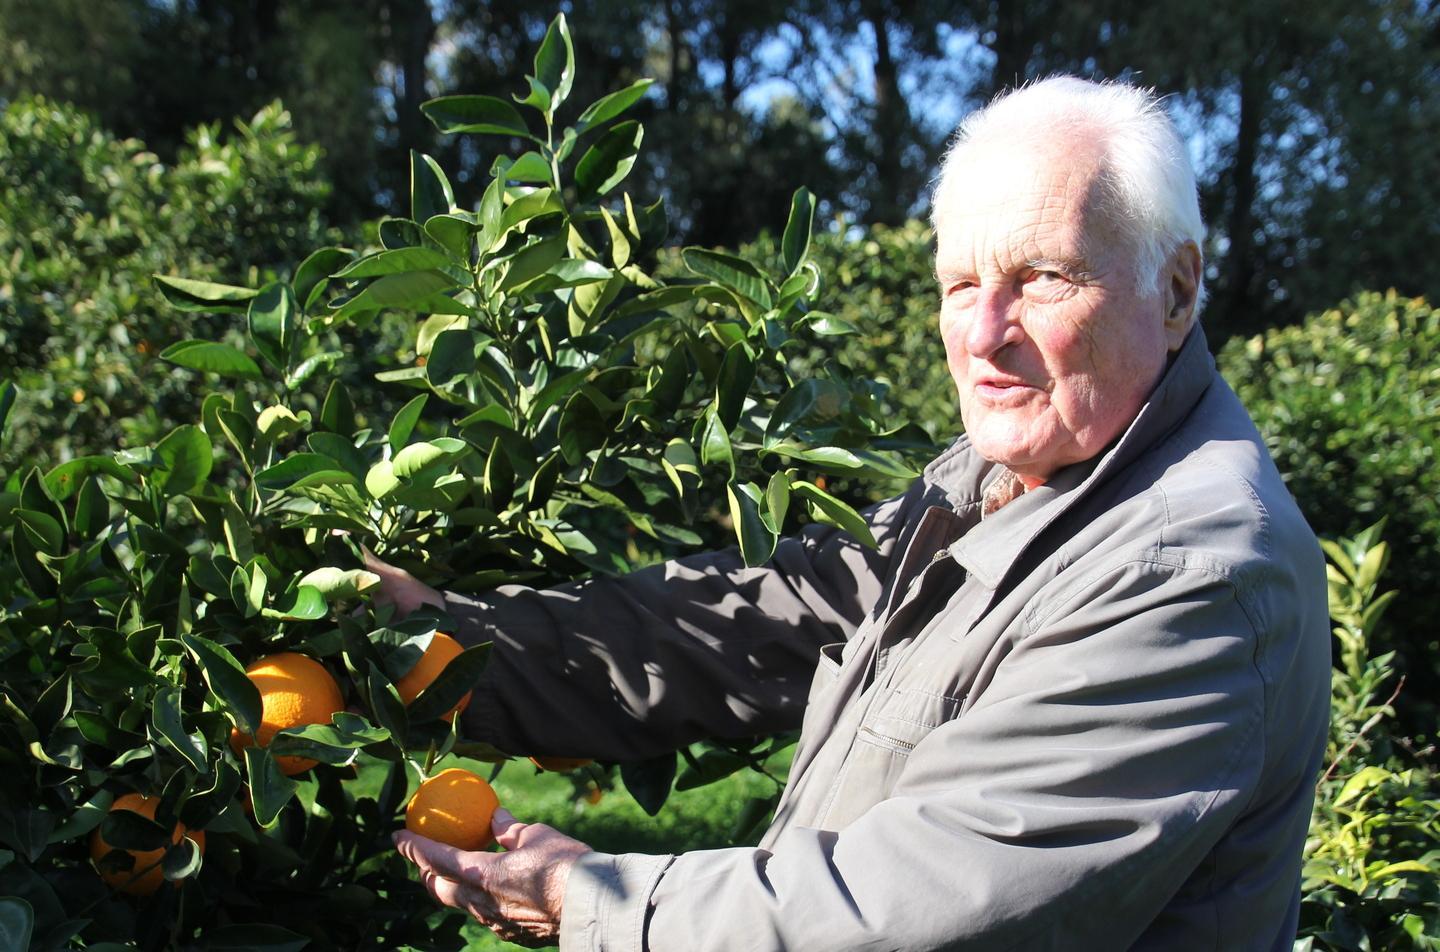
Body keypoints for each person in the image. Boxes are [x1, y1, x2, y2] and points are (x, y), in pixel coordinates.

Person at [380, 76, 1331, 950]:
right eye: (962, 286)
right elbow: (743, 623)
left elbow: (916, 910)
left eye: (1043, 277)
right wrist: (436, 647)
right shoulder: (999, 483)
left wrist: (591, 901)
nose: (987, 335)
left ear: (1175, 291)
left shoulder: (1187, 568)